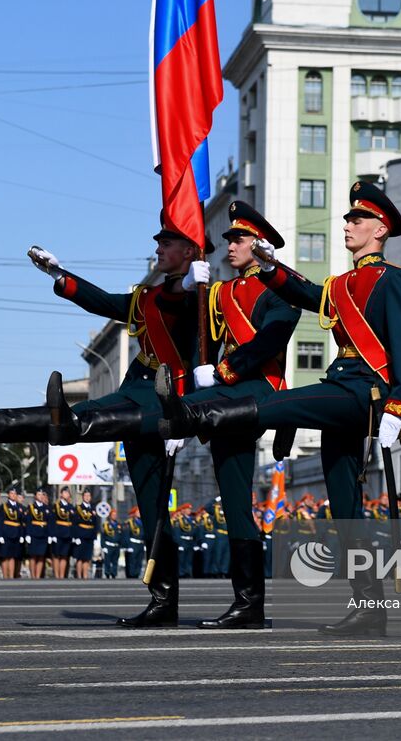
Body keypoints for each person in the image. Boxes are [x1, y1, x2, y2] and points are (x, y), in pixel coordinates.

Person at [158, 181, 401, 637]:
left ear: (380, 229)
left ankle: (191, 415)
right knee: (345, 508)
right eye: (347, 218)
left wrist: (400, 405)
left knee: (283, 401)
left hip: (364, 390)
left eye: (356, 219)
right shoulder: (341, 284)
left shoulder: (392, 280)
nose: (347, 224)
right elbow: (307, 294)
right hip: (340, 388)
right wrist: (271, 265)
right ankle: (370, 607)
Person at [0, 215, 204, 625]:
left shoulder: (200, 297)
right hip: (134, 390)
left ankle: (165, 602)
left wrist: (186, 417)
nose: (158, 249)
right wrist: (60, 275)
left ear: (190, 251)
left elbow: (200, 354)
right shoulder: (148, 297)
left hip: (164, 400)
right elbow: (103, 301)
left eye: (167, 244)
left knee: (86, 419)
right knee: (149, 508)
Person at [155, 201, 299, 626]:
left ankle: (177, 413)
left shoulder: (280, 288)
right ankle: (249, 603)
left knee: (238, 499)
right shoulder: (219, 292)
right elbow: (195, 335)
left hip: (258, 389)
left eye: (237, 239)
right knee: (236, 502)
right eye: (229, 239)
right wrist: (187, 289)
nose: (229, 246)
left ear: (261, 244)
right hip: (221, 398)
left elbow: (270, 341)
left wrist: (221, 370)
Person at [0, 486, 26, 579]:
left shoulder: (20, 507)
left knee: (13, 556)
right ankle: (5, 576)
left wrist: (22, 535)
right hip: (6, 533)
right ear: (8, 495)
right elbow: (0, 521)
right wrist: (0, 535)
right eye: (11, 493)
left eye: (15, 494)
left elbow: (21, 522)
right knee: (5, 556)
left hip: (16, 533)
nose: (13, 495)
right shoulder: (4, 506)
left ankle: (11, 576)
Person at [26, 490, 50, 580]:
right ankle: (33, 575)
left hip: (43, 534)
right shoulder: (31, 507)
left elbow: (49, 522)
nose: (40, 496)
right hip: (34, 533)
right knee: (33, 556)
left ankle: (38, 576)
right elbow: (28, 521)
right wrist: (28, 534)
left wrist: (49, 535)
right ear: (35, 496)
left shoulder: (46, 508)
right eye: (38, 494)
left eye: (42, 494)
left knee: (41, 556)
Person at [51, 487, 74, 579]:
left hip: (67, 533)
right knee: (56, 555)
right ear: (61, 494)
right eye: (65, 492)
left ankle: (61, 575)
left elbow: (73, 522)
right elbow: (52, 521)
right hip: (58, 533)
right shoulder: (56, 506)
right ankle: (56, 575)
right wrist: (52, 534)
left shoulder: (71, 507)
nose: (67, 494)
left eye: (68, 493)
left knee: (64, 555)